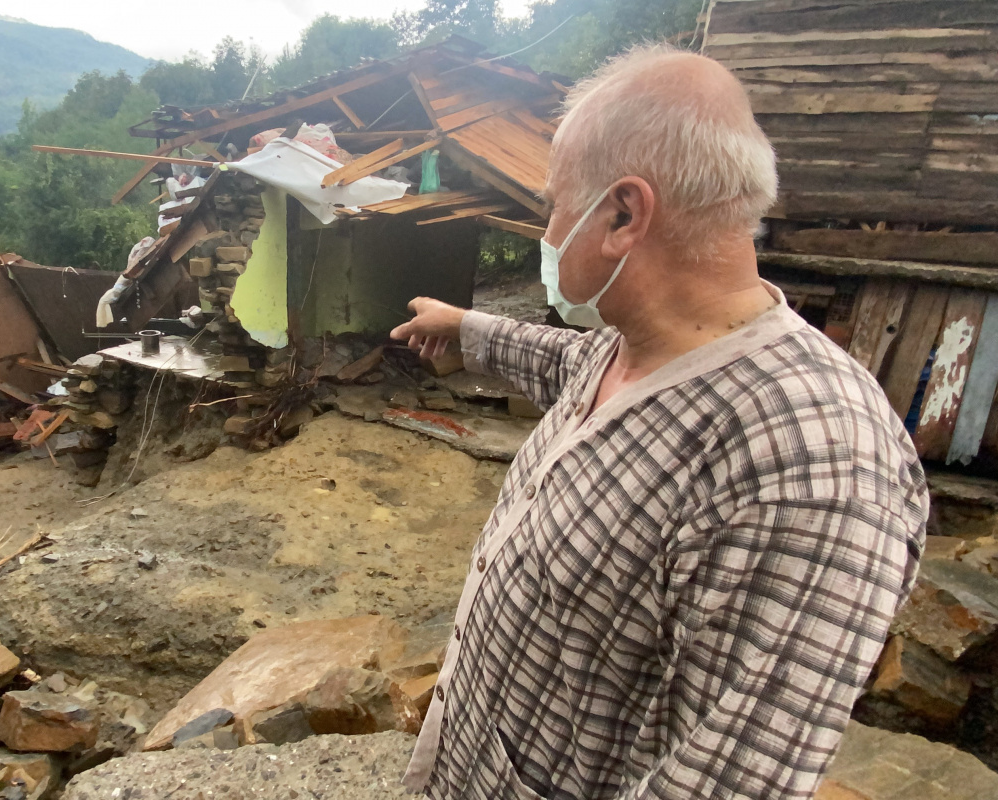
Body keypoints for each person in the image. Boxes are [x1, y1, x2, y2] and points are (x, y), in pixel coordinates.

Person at [391, 44, 928, 800]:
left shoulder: (814, 469)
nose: (546, 234)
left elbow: (725, 783)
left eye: (553, 206)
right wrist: (468, 328)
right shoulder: (631, 349)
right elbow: (565, 363)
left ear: (622, 214)